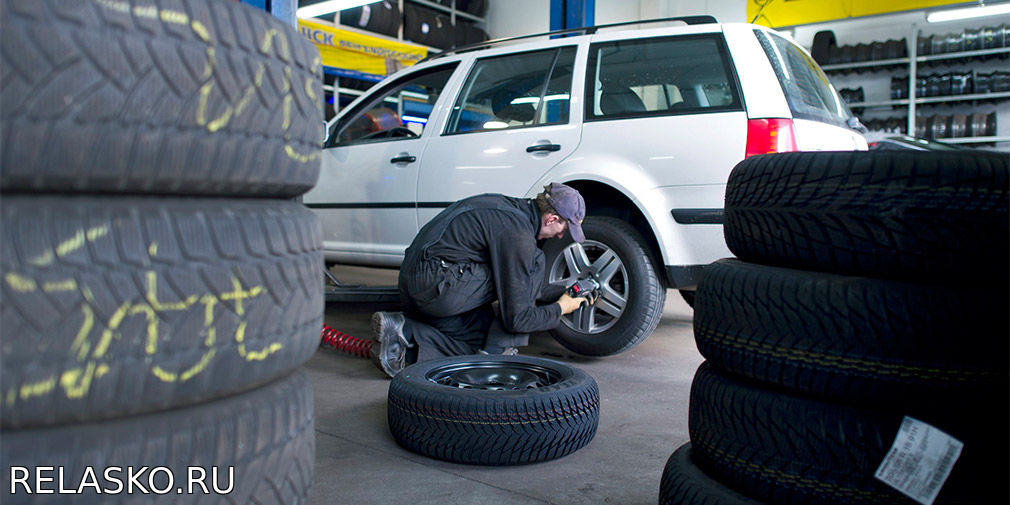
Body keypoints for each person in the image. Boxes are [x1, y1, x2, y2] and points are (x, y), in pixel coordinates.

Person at [369, 182, 591, 377]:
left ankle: (404, 333)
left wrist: (564, 292)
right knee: (535, 260)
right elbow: (518, 318)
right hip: (435, 287)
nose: (561, 236)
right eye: (564, 228)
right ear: (552, 218)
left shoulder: (506, 208)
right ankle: (498, 356)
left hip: (418, 284)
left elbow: (523, 286)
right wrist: (560, 309)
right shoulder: (518, 235)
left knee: (480, 340)